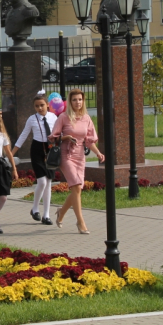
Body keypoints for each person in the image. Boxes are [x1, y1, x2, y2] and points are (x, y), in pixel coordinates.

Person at [49, 89, 105, 234]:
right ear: (70, 101)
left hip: (80, 156)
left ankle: (61, 212)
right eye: (74, 100)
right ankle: (80, 222)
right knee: (75, 186)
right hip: (66, 154)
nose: (77, 102)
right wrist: (66, 138)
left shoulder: (86, 118)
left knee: (78, 189)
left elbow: (88, 141)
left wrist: (98, 153)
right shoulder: (63, 117)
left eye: (80, 99)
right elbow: (53, 137)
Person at [14, 93, 58, 225]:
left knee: (48, 182)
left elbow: (59, 132)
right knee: (42, 182)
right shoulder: (32, 119)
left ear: (47, 105)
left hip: (50, 149)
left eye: (42, 105)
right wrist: (12, 152)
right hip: (37, 150)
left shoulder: (53, 117)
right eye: (37, 106)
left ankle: (46, 215)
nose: (40, 108)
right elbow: (23, 136)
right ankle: (34, 208)